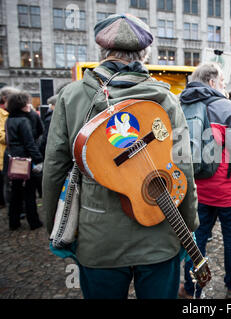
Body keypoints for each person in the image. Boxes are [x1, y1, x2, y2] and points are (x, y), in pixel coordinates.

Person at [42, 13, 198, 299]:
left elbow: (53, 167)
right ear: (144, 53)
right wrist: (188, 227)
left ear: (102, 51)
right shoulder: (165, 98)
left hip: (99, 238)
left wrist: (54, 224)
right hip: (160, 233)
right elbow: (182, 168)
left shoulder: (72, 96)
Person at [179, 62, 231, 299]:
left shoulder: (182, 104)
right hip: (228, 188)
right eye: (222, 82)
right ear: (211, 82)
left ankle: (190, 287)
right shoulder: (225, 106)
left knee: (197, 238)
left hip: (195, 189)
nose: (224, 86)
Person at [5, 91, 43, 231]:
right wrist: (39, 160)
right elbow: (29, 143)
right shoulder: (24, 120)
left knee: (15, 191)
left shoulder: (10, 119)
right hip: (27, 159)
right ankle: (34, 221)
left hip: (14, 158)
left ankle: (13, 221)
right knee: (29, 192)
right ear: (22, 105)